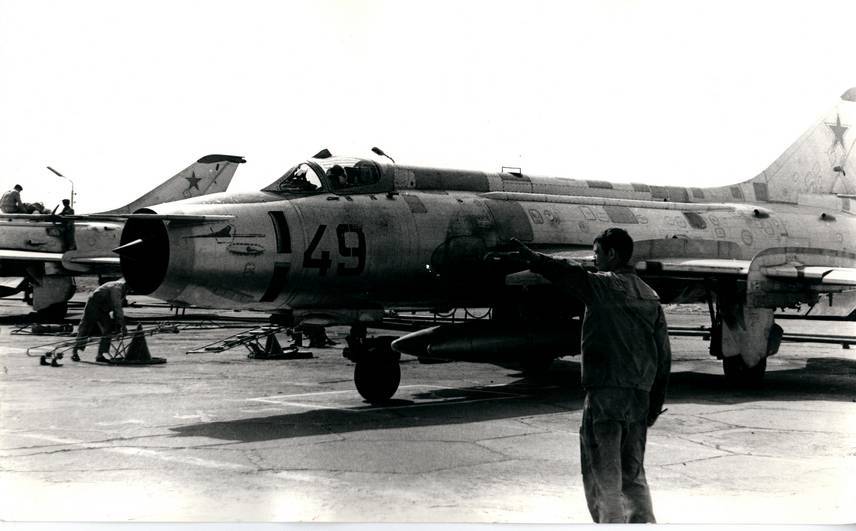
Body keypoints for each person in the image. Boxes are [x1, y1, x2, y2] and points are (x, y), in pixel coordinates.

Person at [510, 228, 671, 523]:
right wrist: (654, 403)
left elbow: (569, 274)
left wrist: (533, 258)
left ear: (611, 254)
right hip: (639, 398)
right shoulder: (650, 296)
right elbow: (663, 356)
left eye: (597, 253)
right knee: (633, 475)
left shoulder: (604, 287)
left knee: (604, 474)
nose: (594, 259)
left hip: (606, 396)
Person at [72, 279, 130, 362]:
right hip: (93, 305)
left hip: (103, 309)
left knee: (108, 330)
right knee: (86, 327)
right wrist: (123, 326)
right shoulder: (116, 288)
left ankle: (100, 355)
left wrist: (118, 324)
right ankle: (75, 352)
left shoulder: (123, 288)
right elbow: (117, 307)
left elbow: (116, 310)